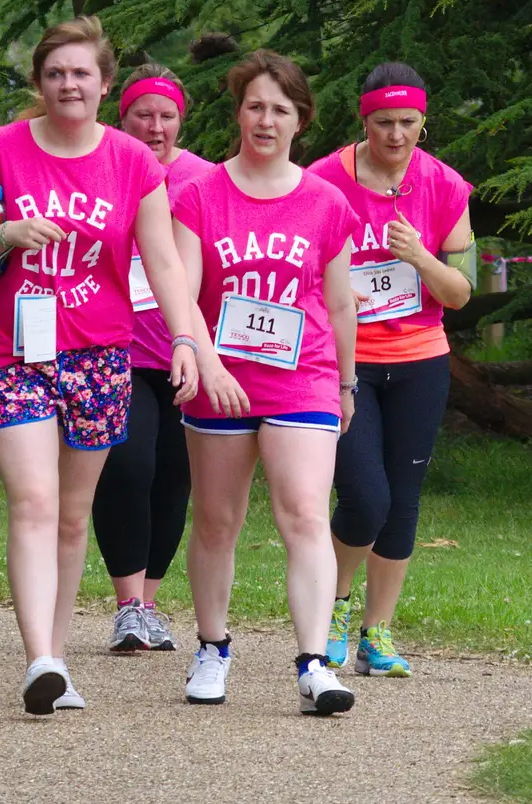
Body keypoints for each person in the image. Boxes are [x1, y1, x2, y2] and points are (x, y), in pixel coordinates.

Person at [0, 16, 200, 714]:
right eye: (55, 73)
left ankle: (55, 664)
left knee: (72, 512)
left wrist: (185, 337)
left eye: (81, 72)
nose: (68, 84)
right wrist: (4, 233)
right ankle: (41, 658)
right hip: (9, 347)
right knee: (34, 497)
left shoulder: (131, 160)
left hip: (99, 351)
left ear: (104, 83)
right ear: (39, 82)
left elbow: (164, 257)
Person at [172, 49, 358, 716]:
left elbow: (339, 303)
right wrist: (210, 362)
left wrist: (347, 383)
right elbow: (184, 290)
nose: (266, 119)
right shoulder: (199, 194)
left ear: (300, 120)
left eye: (280, 109)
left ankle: (314, 663)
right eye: (255, 106)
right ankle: (213, 646)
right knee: (218, 520)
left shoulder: (326, 201)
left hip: (302, 376)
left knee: (305, 512)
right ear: (239, 113)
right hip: (221, 379)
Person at [308, 62, 474, 677]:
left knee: (402, 501)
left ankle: (378, 633)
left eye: (408, 122)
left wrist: (420, 256)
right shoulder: (325, 179)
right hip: (344, 361)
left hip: (419, 360)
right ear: (364, 119)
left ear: (423, 122)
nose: (396, 135)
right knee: (364, 496)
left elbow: (459, 292)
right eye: (384, 122)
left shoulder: (444, 185)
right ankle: (334, 606)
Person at [91, 63, 216, 653]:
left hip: (185, 350)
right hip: (115, 345)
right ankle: (127, 604)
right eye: (145, 114)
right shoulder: (105, 164)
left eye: (167, 116)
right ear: (124, 116)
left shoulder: (204, 178)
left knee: (173, 475)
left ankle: (150, 604)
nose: (156, 127)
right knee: (127, 466)